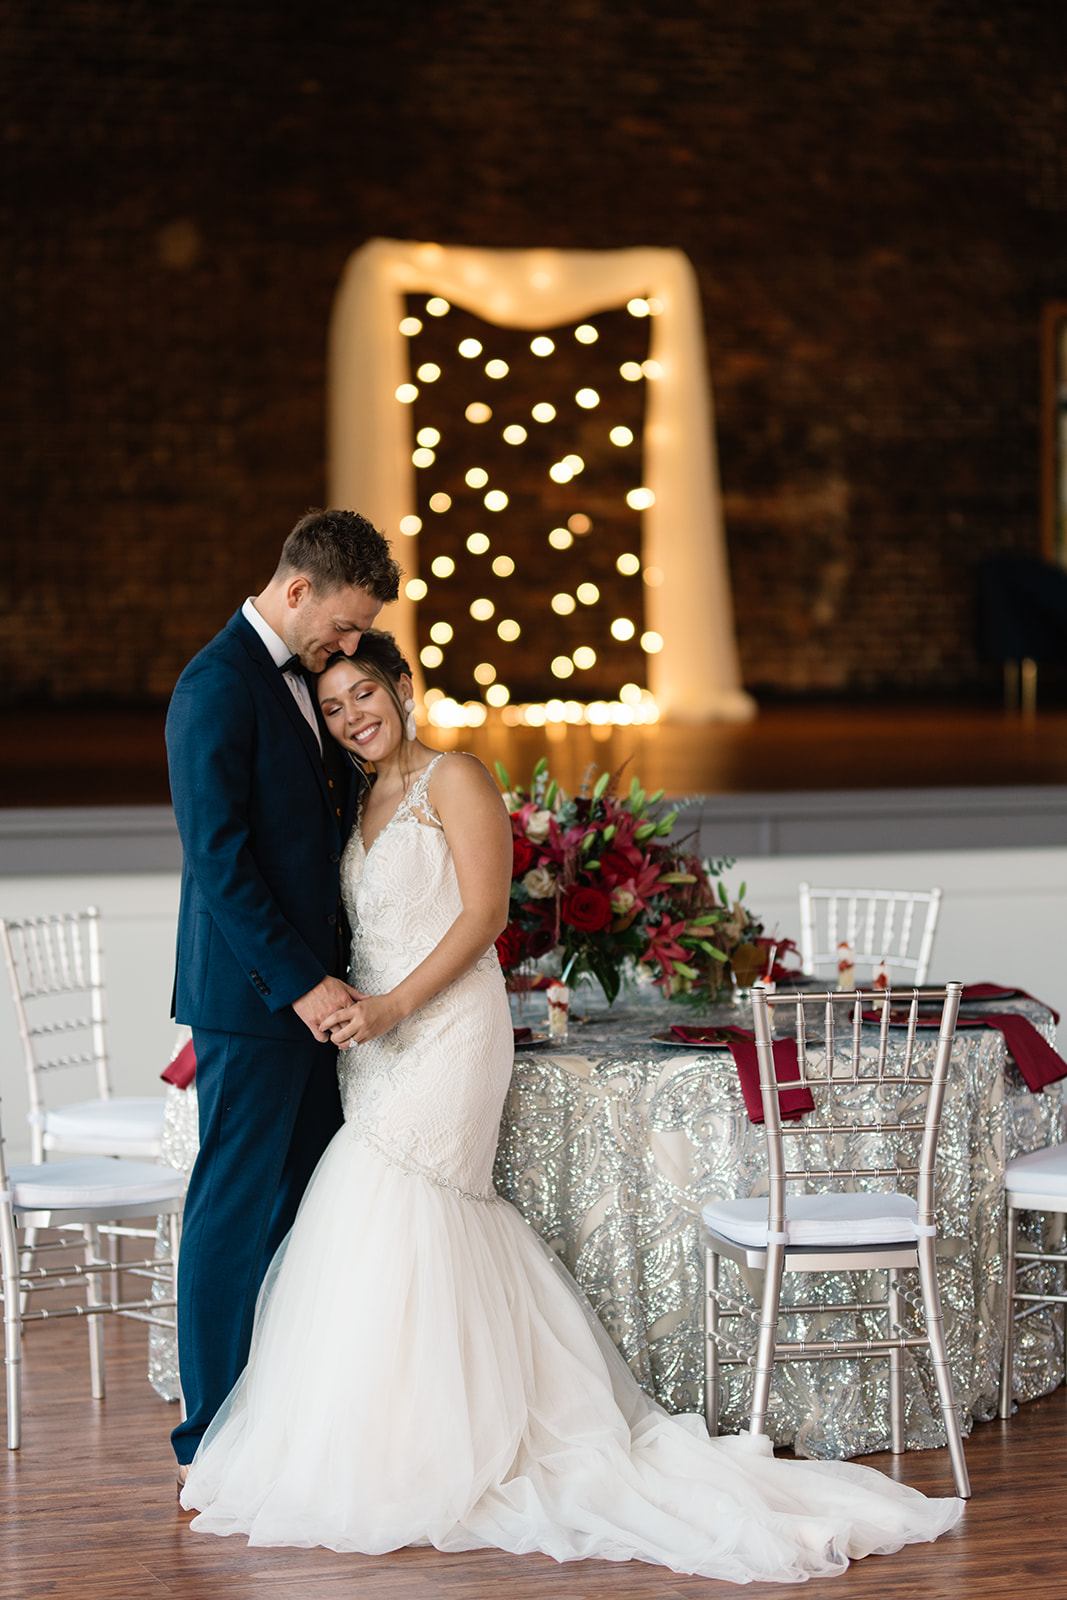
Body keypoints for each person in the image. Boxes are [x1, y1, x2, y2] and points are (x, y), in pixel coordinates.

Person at [179, 631, 963, 1581]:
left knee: (388, 1197)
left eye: (364, 695)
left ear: (403, 685)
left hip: (444, 1032)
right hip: (375, 1045)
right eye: (335, 707)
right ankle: (409, 1433)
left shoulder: (454, 779)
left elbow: (484, 920)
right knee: (386, 1219)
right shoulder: (357, 797)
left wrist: (390, 1006)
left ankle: (426, 1450)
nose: (352, 718)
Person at [165, 509, 400, 1485]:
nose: (347, 649)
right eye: (340, 627)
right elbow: (219, 865)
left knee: (305, 1209)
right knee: (230, 1211)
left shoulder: (297, 679)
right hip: (254, 1002)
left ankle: (283, 1416)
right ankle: (207, 1439)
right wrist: (302, 985)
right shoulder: (214, 686)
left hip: (315, 1002)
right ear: (297, 588)